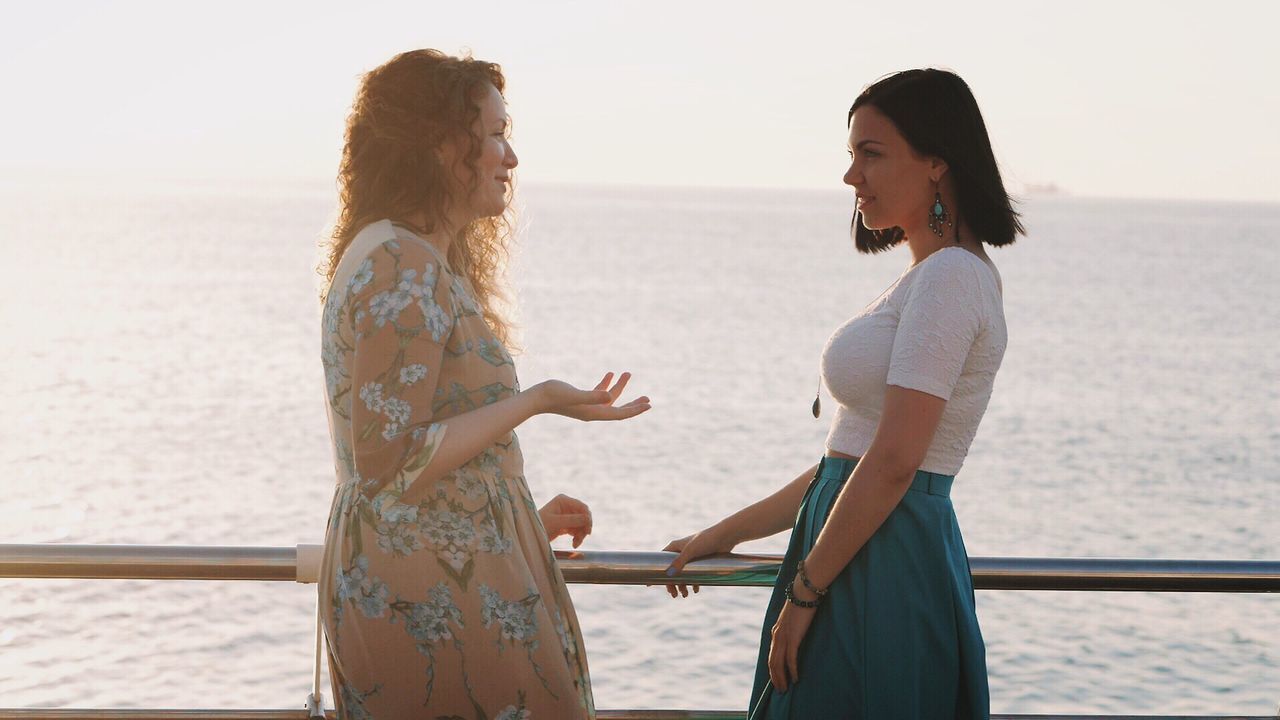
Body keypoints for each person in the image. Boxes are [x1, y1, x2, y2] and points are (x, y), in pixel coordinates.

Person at [663, 68, 1023, 718]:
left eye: (871, 154)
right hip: (851, 547)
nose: (850, 176)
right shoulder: (927, 278)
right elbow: (848, 461)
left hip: (880, 559)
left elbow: (892, 464)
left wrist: (804, 593)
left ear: (937, 162)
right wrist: (726, 533)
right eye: (851, 155)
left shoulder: (951, 280)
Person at [316, 49, 650, 719]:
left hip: (444, 570)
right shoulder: (400, 259)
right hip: (429, 595)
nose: (511, 158)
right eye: (494, 135)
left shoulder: (404, 254)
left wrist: (517, 520)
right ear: (441, 145)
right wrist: (539, 401)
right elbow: (388, 460)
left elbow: (412, 450)